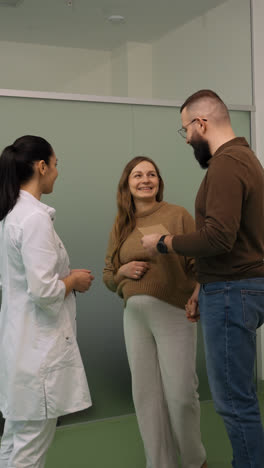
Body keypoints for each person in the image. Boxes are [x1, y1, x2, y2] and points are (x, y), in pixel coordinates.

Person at [141, 89, 264, 468]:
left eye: (186, 130)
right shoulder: (249, 160)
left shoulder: (226, 165)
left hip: (233, 291)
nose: (188, 139)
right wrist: (201, 287)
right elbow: (240, 239)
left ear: (201, 123)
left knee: (233, 402)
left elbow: (218, 237)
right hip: (232, 287)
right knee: (240, 398)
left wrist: (164, 242)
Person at [103, 156, 207, 468]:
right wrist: (123, 271)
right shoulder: (121, 225)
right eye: (138, 175)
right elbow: (108, 276)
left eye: (151, 174)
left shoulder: (177, 215)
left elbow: (201, 264)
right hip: (134, 317)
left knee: (181, 394)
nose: (146, 179)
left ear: (158, 182)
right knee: (146, 397)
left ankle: (194, 460)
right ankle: (160, 463)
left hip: (175, 311)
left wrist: (197, 296)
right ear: (128, 184)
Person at [0, 135, 94, 468]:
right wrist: (73, 281)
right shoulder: (34, 218)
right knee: (29, 450)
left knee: (14, 442)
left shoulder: (11, 215)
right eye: (55, 165)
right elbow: (43, 290)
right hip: (37, 355)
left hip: (20, 348)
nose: (56, 173)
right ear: (42, 167)